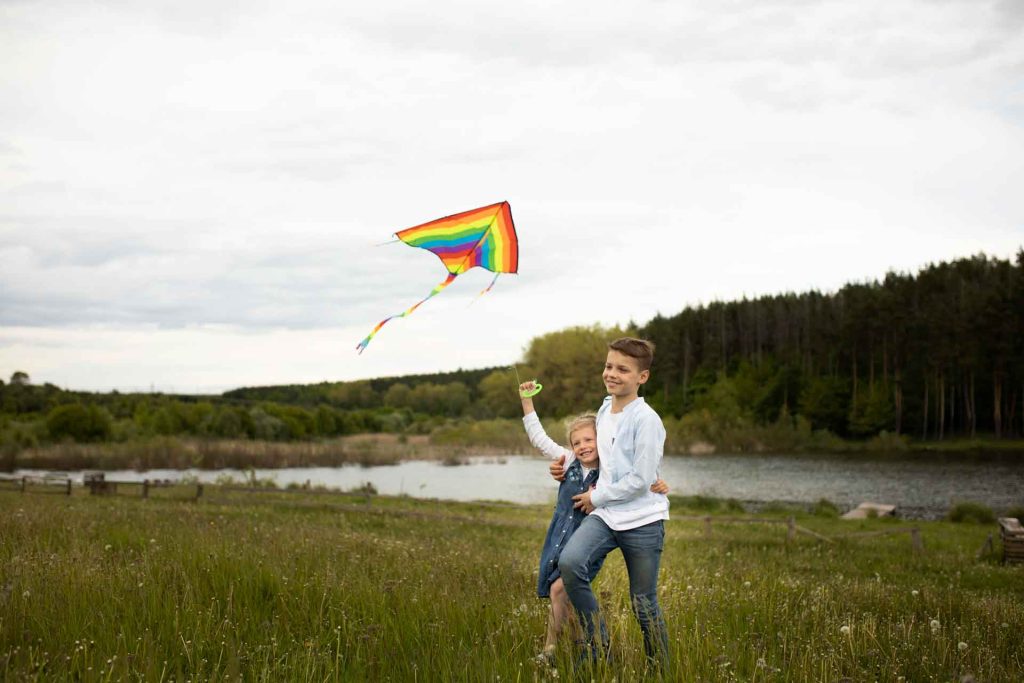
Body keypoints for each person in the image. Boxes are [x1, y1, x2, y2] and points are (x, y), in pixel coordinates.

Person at [519, 380, 669, 665]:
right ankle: (583, 647)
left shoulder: (607, 474)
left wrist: (657, 483)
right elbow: (539, 439)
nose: (583, 446)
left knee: (560, 589)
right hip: (560, 538)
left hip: (590, 534)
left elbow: (640, 474)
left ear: (600, 440)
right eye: (577, 442)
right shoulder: (566, 460)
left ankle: (557, 649)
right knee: (564, 592)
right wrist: (527, 403)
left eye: (589, 440)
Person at [550, 337, 670, 670]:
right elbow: (592, 455)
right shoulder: (604, 409)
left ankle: (659, 670)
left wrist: (595, 496)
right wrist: (563, 467)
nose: (612, 373)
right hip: (606, 516)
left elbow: (639, 480)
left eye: (622, 369)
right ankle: (597, 644)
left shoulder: (646, 420)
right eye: (608, 366)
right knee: (571, 565)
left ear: (641, 377)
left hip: (642, 520)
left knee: (644, 604)